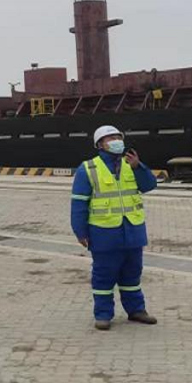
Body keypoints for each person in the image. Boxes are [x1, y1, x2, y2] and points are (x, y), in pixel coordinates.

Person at [70, 125, 159, 330]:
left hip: (133, 231)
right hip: (104, 233)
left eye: (118, 137)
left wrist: (138, 167)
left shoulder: (131, 164)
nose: (116, 141)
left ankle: (136, 310)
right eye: (111, 138)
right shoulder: (88, 169)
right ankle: (103, 315)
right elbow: (79, 203)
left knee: (132, 275)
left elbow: (149, 185)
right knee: (104, 275)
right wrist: (80, 231)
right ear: (100, 144)